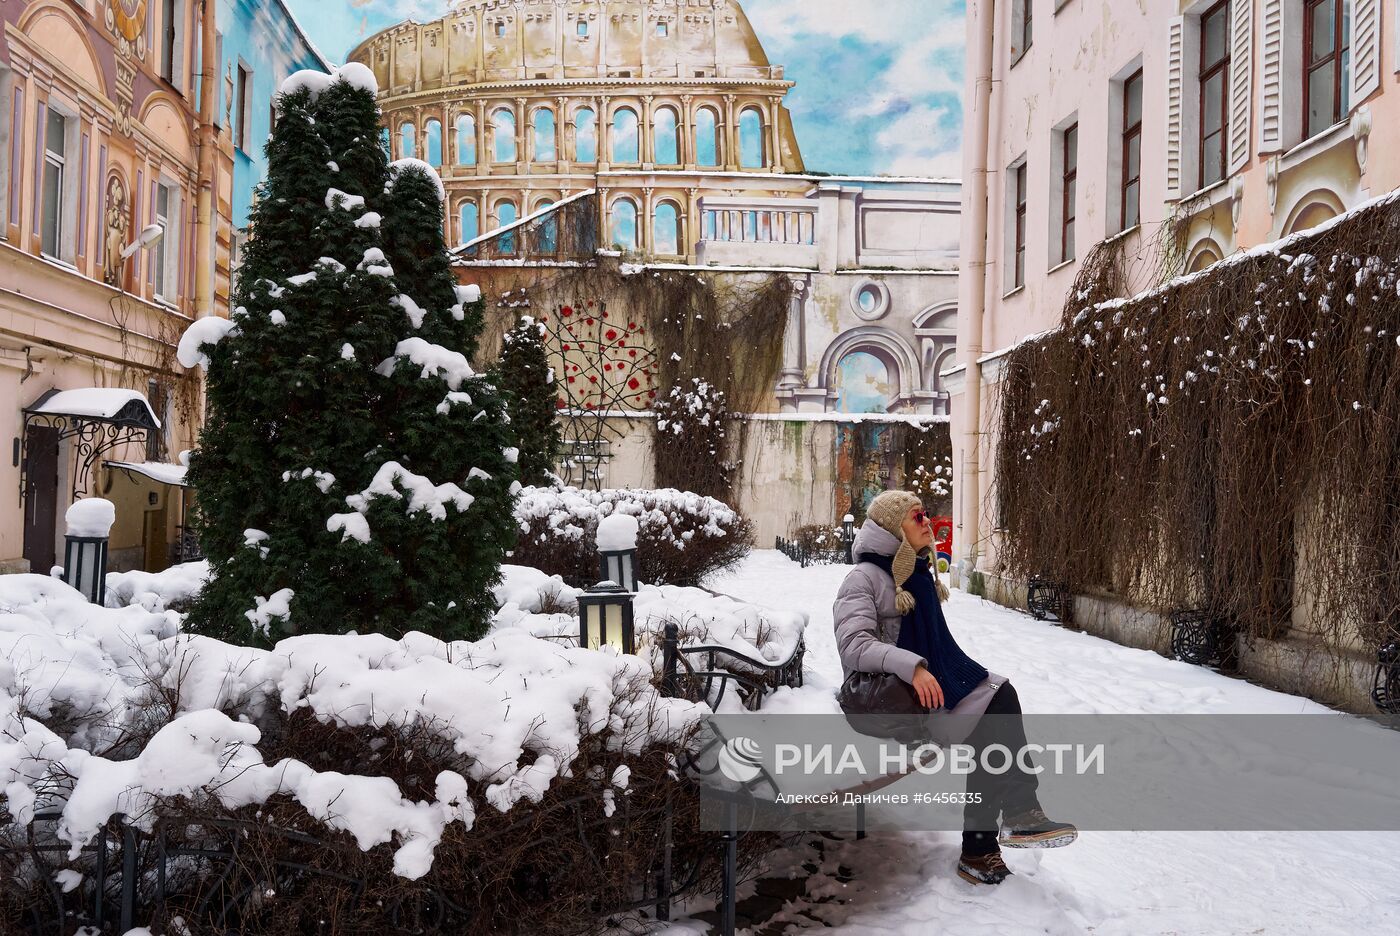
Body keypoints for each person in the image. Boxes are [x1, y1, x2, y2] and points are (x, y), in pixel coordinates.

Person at [832, 490, 1077, 885]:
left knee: (998, 698)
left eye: (924, 514)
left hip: (917, 693)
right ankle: (991, 840)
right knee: (991, 720)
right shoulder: (863, 579)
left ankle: (1007, 824)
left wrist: (924, 671)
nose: (927, 522)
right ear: (895, 529)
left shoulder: (913, 573)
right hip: (884, 704)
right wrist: (913, 668)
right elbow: (855, 646)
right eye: (917, 517)